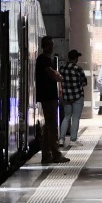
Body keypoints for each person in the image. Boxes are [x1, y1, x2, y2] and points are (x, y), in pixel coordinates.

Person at [34, 35, 68, 164]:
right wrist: (58, 76)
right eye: (48, 44)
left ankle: (47, 154)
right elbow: (54, 75)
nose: (51, 47)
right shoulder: (44, 60)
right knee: (52, 126)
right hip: (48, 97)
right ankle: (55, 154)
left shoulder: (46, 60)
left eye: (52, 44)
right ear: (43, 46)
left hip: (49, 96)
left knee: (49, 127)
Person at [58, 49, 87, 146]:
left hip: (66, 96)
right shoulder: (78, 68)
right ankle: (73, 140)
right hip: (78, 96)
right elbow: (84, 82)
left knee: (66, 117)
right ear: (76, 58)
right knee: (75, 118)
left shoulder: (62, 68)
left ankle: (61, 139)